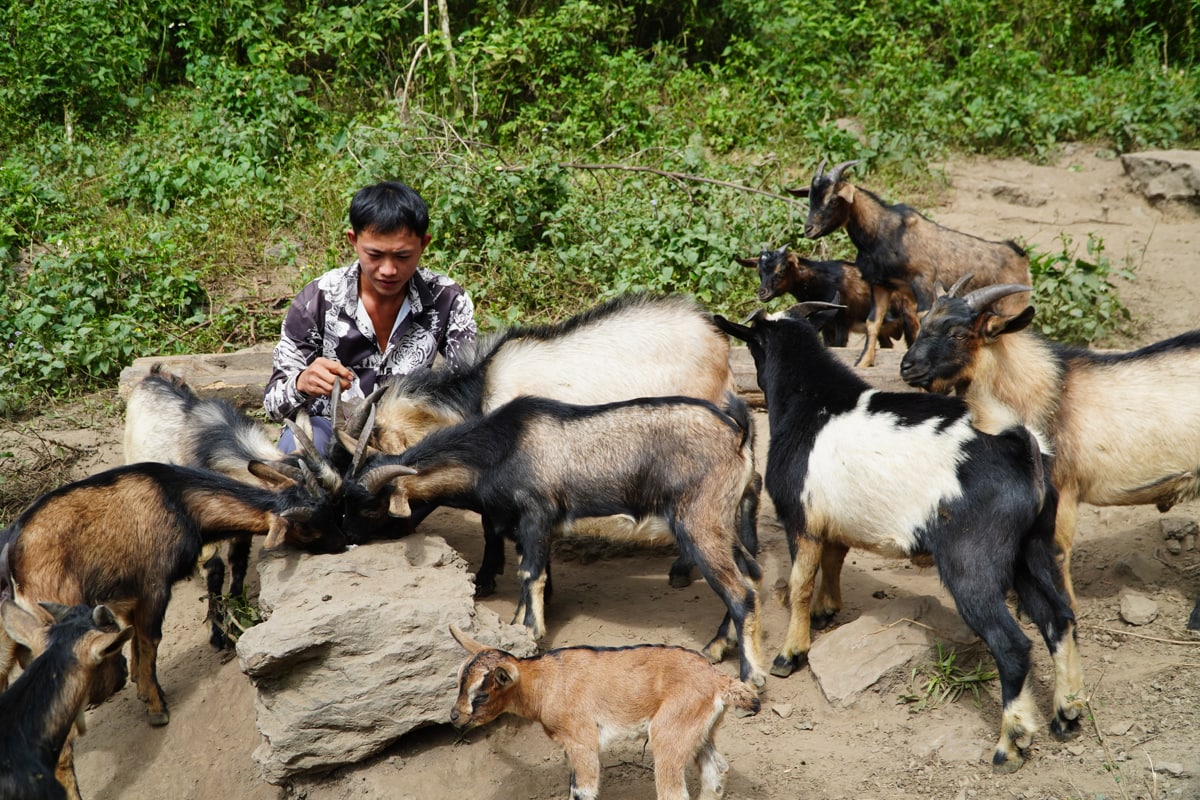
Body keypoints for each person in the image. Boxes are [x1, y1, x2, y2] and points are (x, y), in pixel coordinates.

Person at [264, 180, 477, 454]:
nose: (388, 270)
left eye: (403, 256)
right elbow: (272, 404)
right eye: (374, 255)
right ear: (353, 240)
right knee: (302, 445)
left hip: (409, 439)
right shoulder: (317, 300)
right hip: (329, 434)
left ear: (424, 244)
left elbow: (472, 386)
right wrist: (301, 383)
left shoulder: (447, 300)